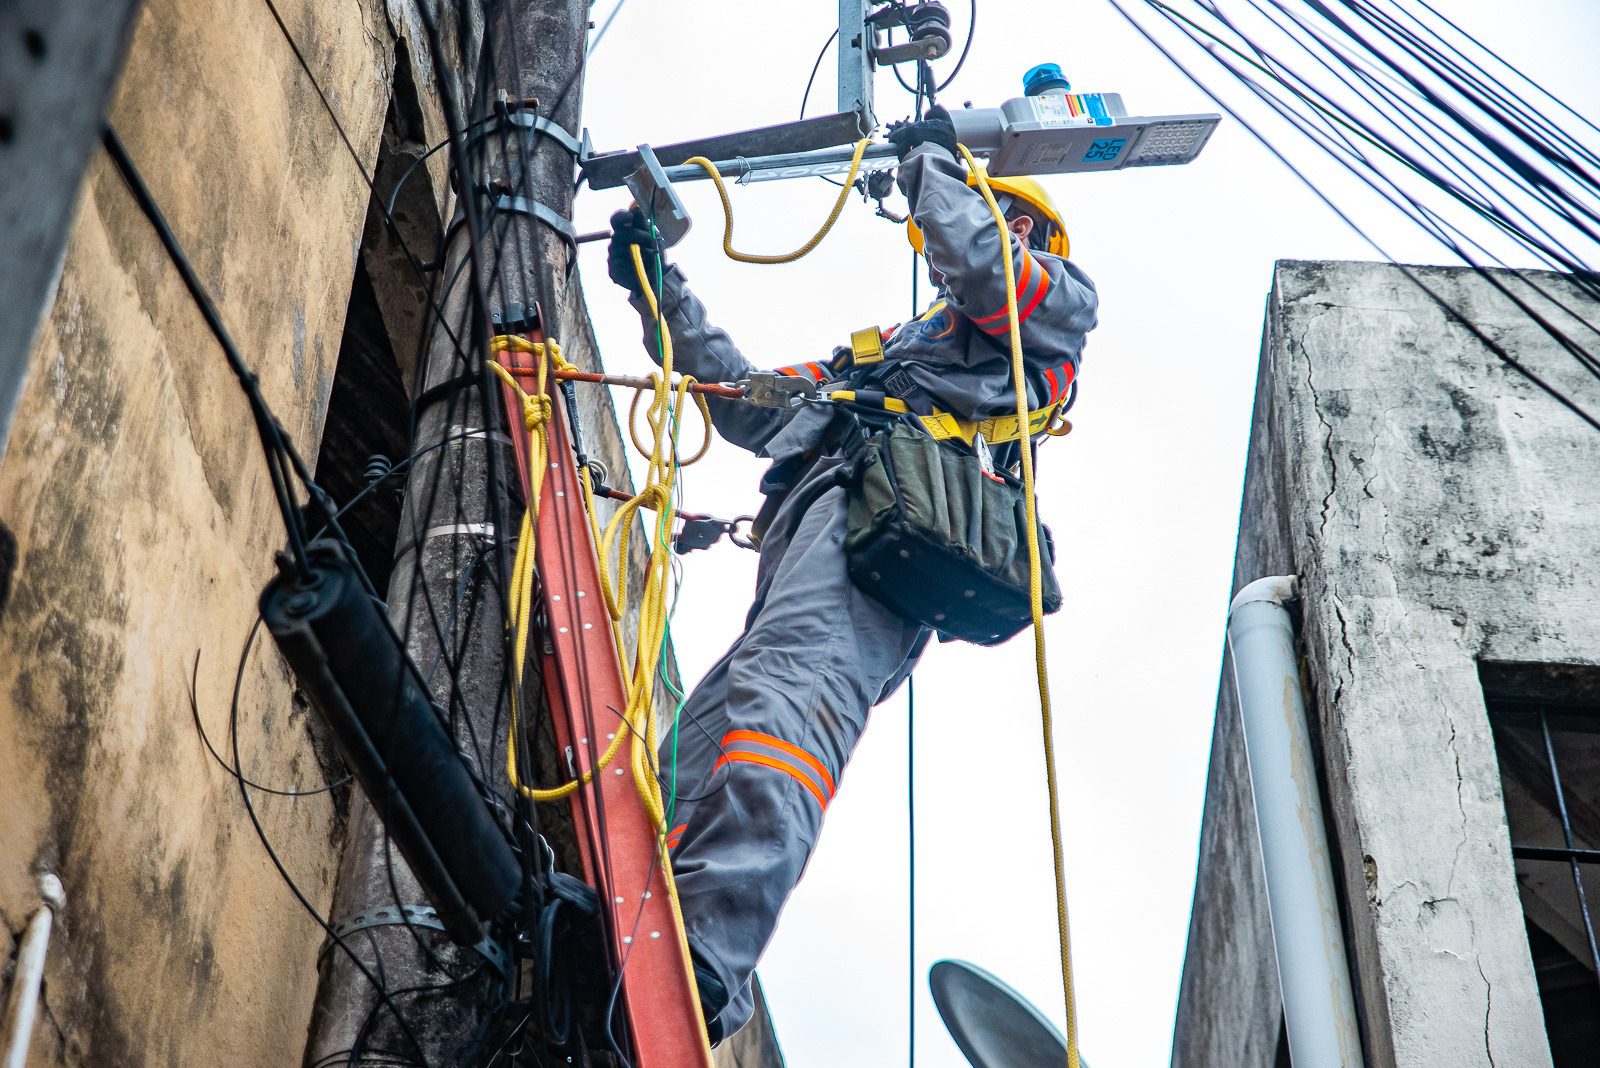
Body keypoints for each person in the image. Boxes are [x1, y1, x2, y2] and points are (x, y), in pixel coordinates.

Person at [603, 108, 1099, 1041]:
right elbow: (750, 402)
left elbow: (984, 265)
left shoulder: (1055, 311)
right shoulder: (886, 361)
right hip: (818, 543)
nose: (1000, 228)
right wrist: (657, 289)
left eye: (1007, 217)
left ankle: (706, 962)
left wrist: (933, 167)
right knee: (700, 745)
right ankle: (630, 934)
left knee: (779, 723)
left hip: (880, 549)